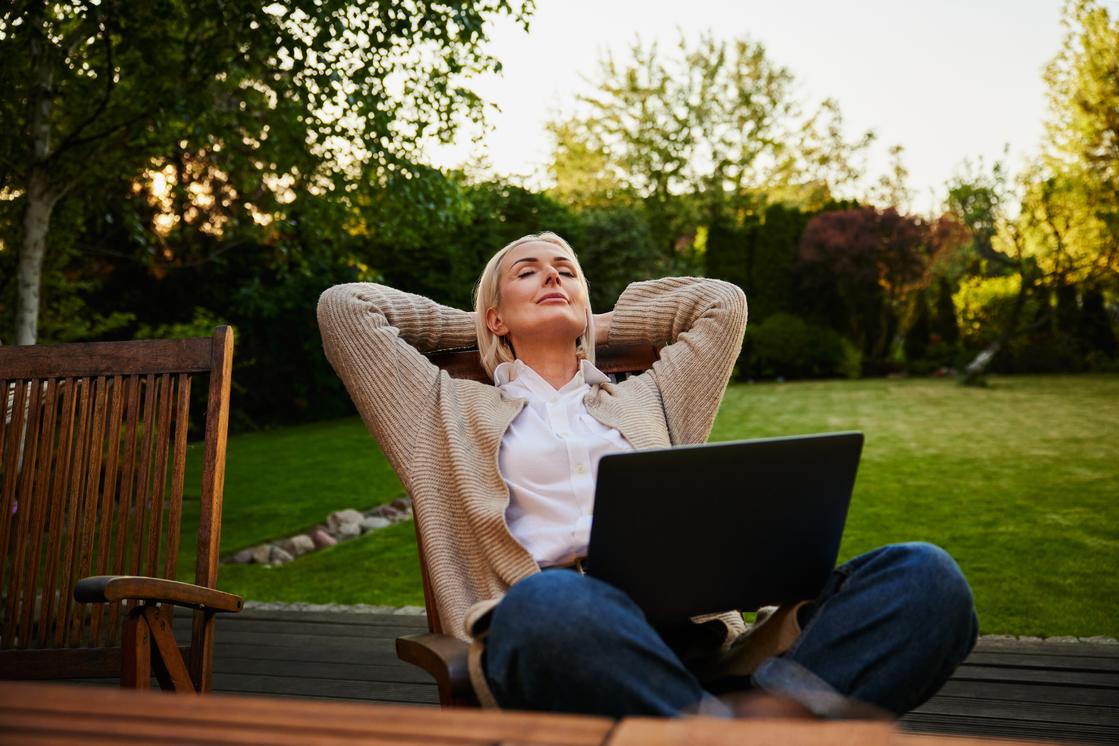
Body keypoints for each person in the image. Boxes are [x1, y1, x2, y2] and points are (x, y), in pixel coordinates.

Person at [317, 231, 978, 719]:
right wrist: (491, 328)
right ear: (493, 313)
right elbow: (346, 309)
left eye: (567, 272)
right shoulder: (440, 408)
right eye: (528, 273)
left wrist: (580, 325)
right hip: (562, 638)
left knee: (923, 578)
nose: (553, 278)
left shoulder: (650, 398)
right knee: (555, 600)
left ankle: (716, 725)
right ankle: (765, 726)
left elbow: (718, 305)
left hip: (705, 650)